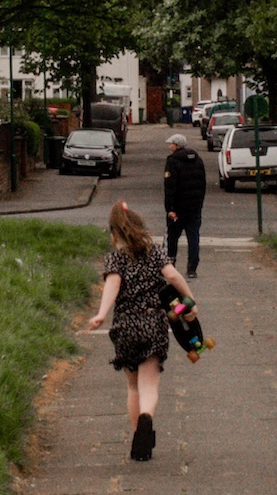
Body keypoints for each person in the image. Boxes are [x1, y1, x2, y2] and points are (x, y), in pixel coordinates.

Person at [75, 198, 194, 462]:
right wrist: (189, 301)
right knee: (149, 385)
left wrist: (102, 314)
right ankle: (146, 418)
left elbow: (113, 286)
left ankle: (137, 438)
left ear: (114, 234)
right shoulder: (155, 253)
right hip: (153, 323)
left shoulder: (115, 258)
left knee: (132, 387)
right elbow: (173, 276)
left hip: (127, 326)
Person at [159, 126, 209, 273]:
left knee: (172, 238)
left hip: (178, 209)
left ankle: (171, 265)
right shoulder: (198, 160)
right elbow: (202, 184)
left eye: (171, 144)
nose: (169, 146)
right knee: (193, 238)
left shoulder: (172, 161)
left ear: (177, 146)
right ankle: (192, 267)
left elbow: (170, 187)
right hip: (194, 208)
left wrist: (170, 209)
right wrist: (199, 204)